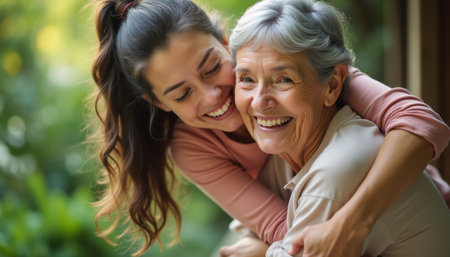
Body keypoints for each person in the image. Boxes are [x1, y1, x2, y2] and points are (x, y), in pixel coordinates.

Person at [90, 0, 450, 256]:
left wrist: (355, 219)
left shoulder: (298, 70)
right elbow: (278, 225)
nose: (213, 95)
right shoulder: (190, 145)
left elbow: (420, 122)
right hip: (317, 226)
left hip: (402, 206)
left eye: (213, 67)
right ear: (159, 104)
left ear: (226, 43)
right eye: (183, 94)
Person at [230, 0, 450, 256]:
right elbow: (246, 231)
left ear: (333, 85)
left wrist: (261, 251)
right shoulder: (285, 155)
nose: (259, 101)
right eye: (246, 79)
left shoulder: (339, 167)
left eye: (283, 79)